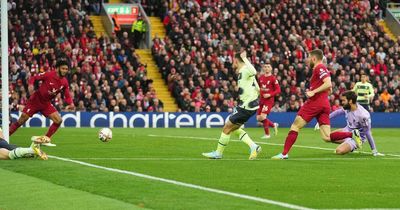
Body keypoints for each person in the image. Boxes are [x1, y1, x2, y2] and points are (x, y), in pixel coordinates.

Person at [272, 49, 361, 159]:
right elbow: (330, 89)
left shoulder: (320, 67)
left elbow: (328, 83)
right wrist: (316, 89)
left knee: (295, 125)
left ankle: (284, 154)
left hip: (315, 103)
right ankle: (352, 134)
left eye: (309, 58)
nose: (308, 60)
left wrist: (313, 91)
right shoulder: (321, 69)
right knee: (327, 137)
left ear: (314, 58)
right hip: (324, 104)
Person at [202, 51, 262, 160]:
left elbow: (254, 72)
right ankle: (254, 146)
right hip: (248, 105)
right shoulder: (243, 71)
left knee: (226, 127)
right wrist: (257, 92)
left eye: (233, 60)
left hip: (246, 106)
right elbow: (255, 84)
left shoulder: (245, 69)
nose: (232, 63)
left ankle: (218, 153)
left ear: (236, 60)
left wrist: (245, 58)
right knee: (234, 128)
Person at [9, 59, 75, 146]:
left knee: (58, 121)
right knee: (21, 120)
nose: (65, 71)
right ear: (57, 68)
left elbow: (67, 95)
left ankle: (45, 139)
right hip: (35, 100)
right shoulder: (49, 74)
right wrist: (31, 85)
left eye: (66, 69)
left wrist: (71, 103)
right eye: (63, 68)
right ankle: (4, 137)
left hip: (46, 104)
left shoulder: (64, 81)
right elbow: (34, 78)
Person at [316, 91, 384, 156]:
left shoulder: (363, 115)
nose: (342, 102)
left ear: (350, 101)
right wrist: (322, 121)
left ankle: (352, 145)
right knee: (327, 137)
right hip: (347, 131)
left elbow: (368, 133)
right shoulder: (347, 107)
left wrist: (374, 150)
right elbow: (337, 112)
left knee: (339, 151)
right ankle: (348, 144)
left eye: (343, 100)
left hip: (357, 138)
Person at [257, 62, 281, 139]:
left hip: (269, 100)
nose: (266, 68)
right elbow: (260, 88)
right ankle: (274, 125)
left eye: (268, 66)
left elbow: (278, 90)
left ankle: (267, 134)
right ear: (263, 68)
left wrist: (269, 94)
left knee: (263, 116)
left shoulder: (273, 78)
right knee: (258, 118)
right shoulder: (261, 78)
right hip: (261, 100)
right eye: (265, 67)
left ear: (271, 68)